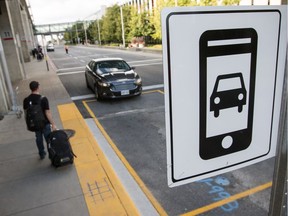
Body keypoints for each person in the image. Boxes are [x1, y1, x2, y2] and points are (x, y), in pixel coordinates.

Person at [23, 81, 57, 159]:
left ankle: (41, 153)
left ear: (30, 89)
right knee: (48, 139)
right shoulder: (43, 98)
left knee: (38, 138)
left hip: (34, 123)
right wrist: (53, 124)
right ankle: (51, 154)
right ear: (38, 87)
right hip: (44, 123)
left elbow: (26, 113)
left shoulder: (26, 100)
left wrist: (28, 124)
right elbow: (47, 112)